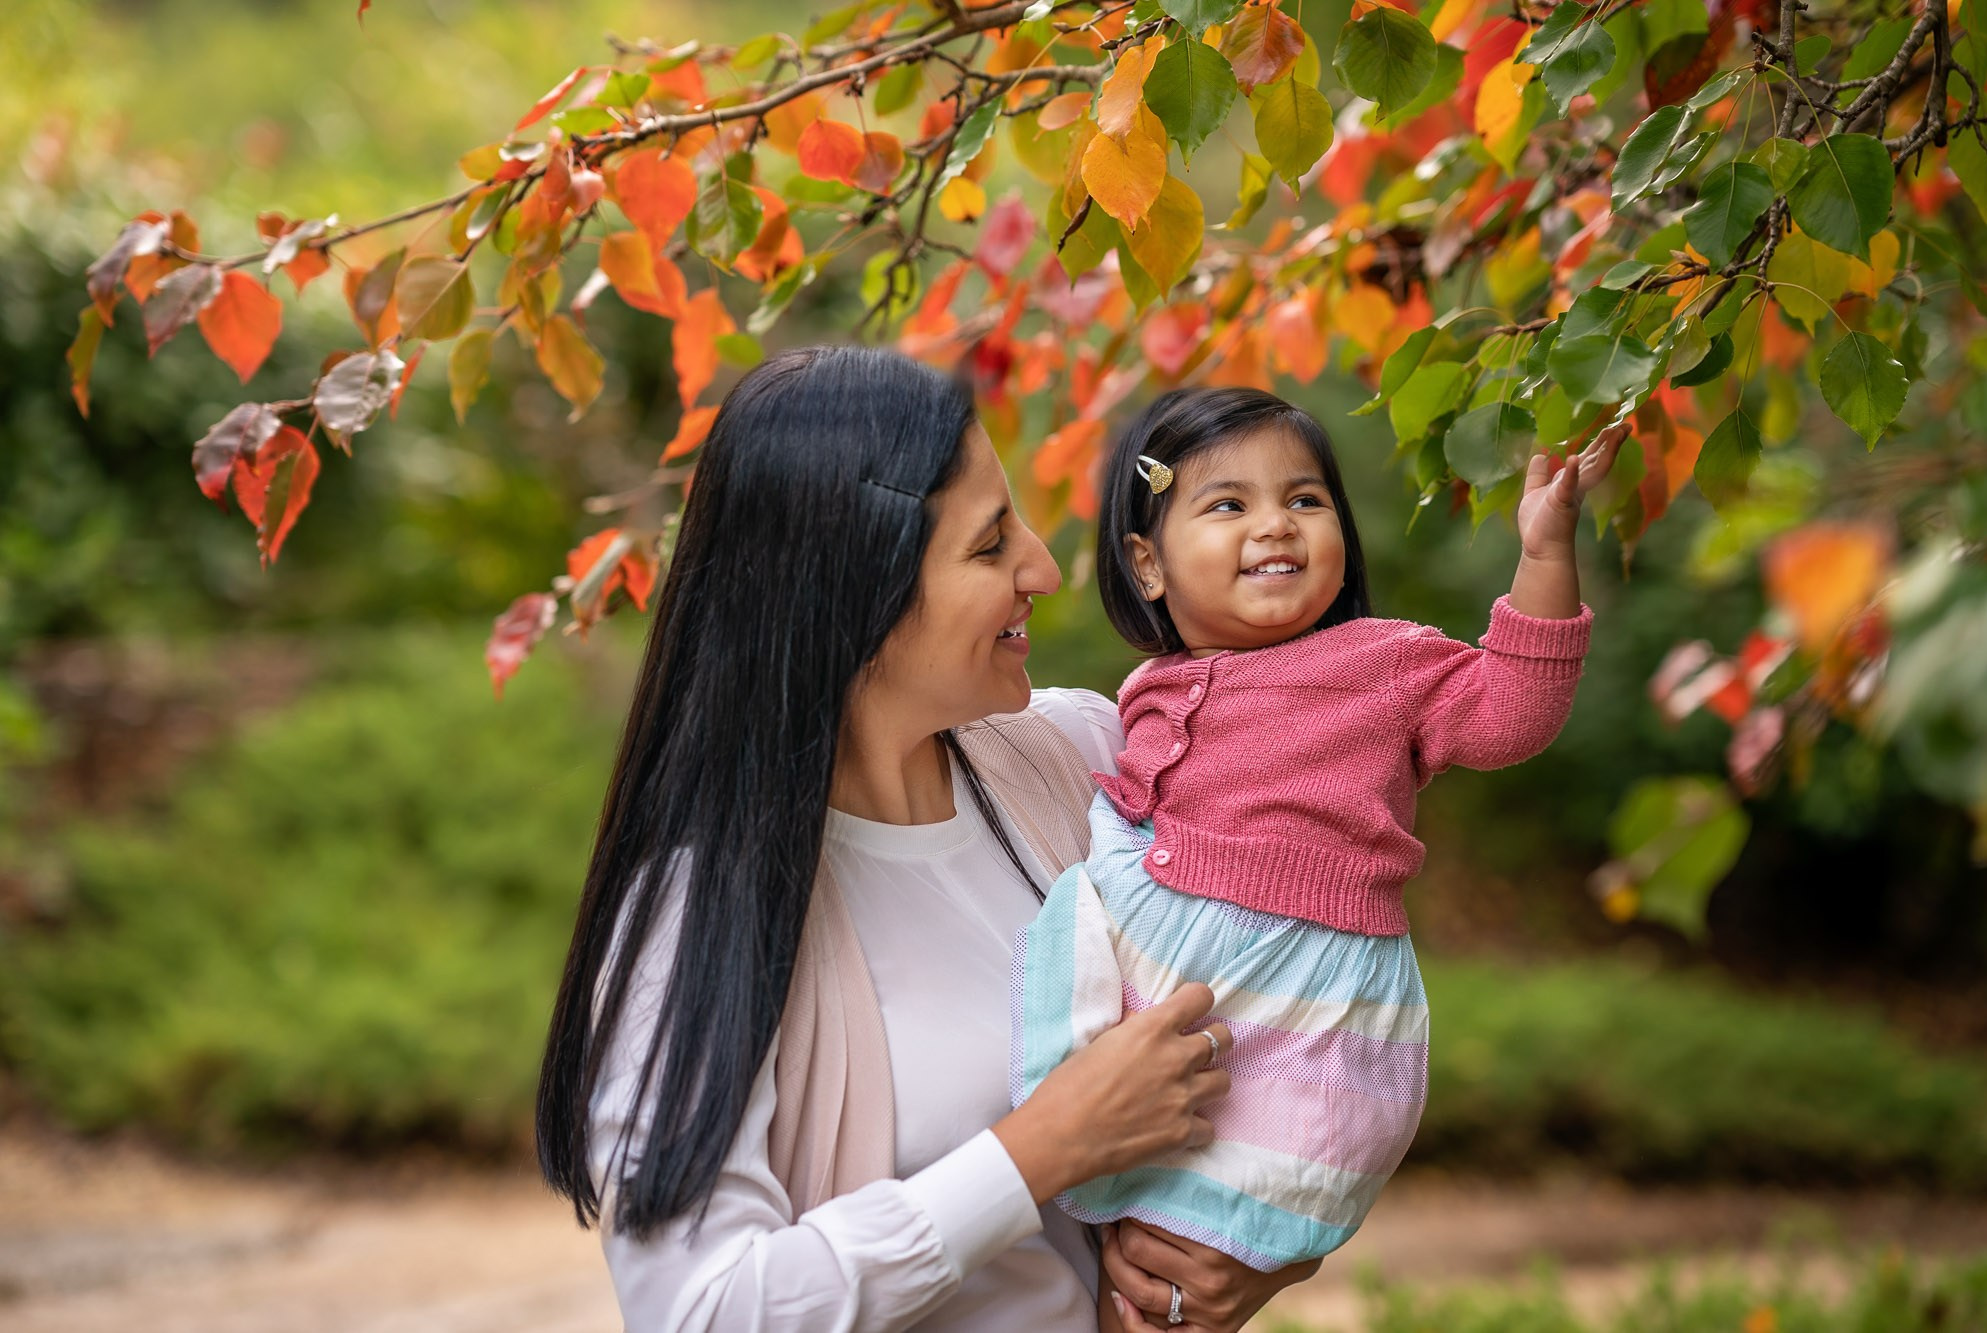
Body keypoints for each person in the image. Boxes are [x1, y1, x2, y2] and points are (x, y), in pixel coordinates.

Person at [534, 345, 1323, 1332]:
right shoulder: (700, 914)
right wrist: (1037, 1151)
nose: (1042, 568)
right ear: (853, 587)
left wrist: (1254, 1259)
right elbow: (701, 1308)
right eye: (990, 546)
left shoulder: (1089, 758)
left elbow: (1311, 1013)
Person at [1011, 386, 1628, 1330]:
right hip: (1171, 979)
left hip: (1303, 990)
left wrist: (1545, 556)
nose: (1276, 524)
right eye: (1229, 503)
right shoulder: (1141, 691)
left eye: (1304, 498)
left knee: (1196, 1236)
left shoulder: (1384, 662)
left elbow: (1512, 713)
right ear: (1147, 564)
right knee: (1120, 1224)